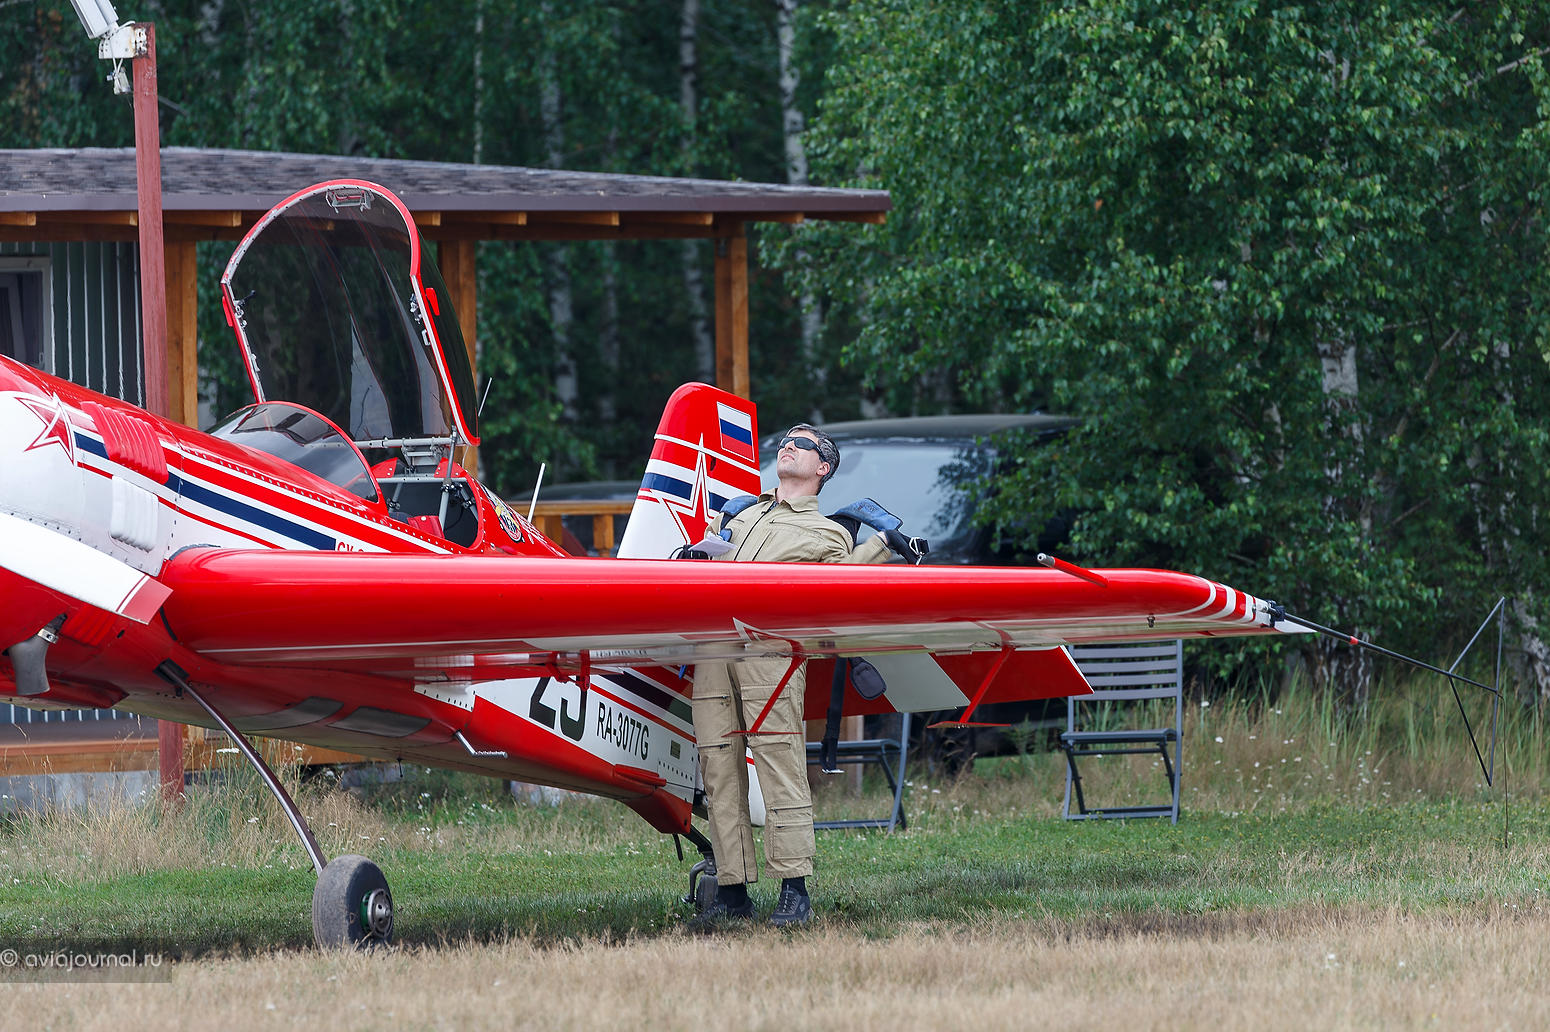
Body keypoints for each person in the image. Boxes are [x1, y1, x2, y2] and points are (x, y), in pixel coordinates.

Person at [691, 423, 911, 928]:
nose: (788, 446)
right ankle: (732, 891)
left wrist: (881, 545)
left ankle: (795, 890)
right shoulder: (739, 512)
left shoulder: (828, 532)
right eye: (787, 441)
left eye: (803, 444)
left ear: (823, 467)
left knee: (779, 765)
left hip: (771, 653)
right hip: (713, 650)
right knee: (718, 770)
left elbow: (843, 588)